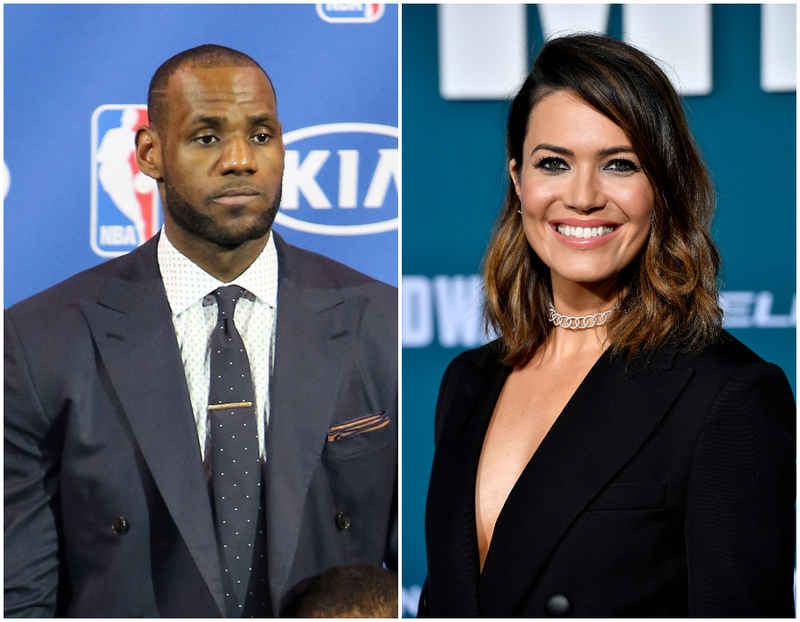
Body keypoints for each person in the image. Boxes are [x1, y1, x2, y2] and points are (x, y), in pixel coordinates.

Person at [5, 44, 397, 617]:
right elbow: (21, 599)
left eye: (261, 135)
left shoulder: (378, 323)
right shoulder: (38, 340)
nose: (241, 159)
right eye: (207, 137)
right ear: (150, 153)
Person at [419, 34, 794, 617]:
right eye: (554, 164)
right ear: (518, 181)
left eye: (619, 165)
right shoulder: (467, 381)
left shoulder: (730, 394)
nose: (584, 197)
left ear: (662, 185)